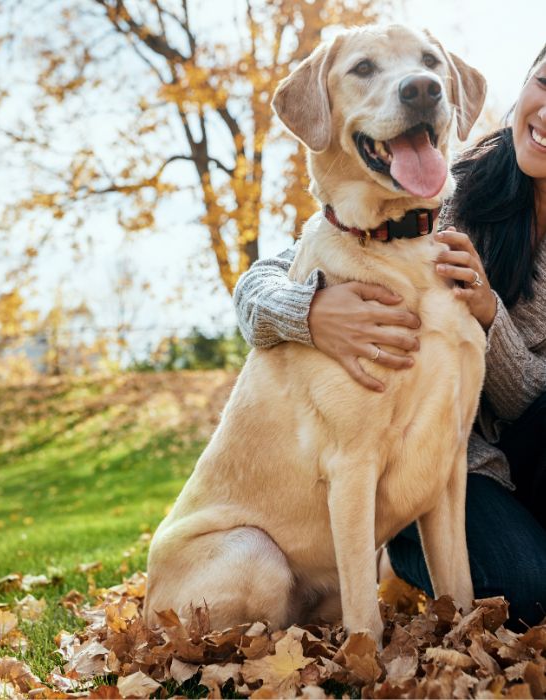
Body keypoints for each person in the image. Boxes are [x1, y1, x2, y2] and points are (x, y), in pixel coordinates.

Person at [234, 44, 546, 629]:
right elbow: (266, 275)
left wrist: (488, 315)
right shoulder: (439, 190)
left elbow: (534, 402)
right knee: (526, 592)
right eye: (545, 83)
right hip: (464, 473)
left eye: (430, 69)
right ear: (525, 84)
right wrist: (311, 310)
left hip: (531, 451)